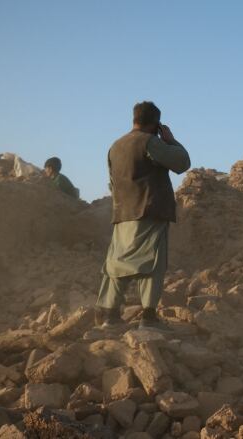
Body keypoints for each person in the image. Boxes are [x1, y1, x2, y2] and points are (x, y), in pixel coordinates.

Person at [96, 101, 190, 331]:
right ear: (156, 123)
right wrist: (170, 140)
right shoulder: (151, 142)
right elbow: (181, 163)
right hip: (150, 211)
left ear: (134, 119)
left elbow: (112, 182)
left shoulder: (115, 146)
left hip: (122, 214)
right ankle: (148, 316)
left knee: (118, 262)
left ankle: (110, 315)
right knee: (152, 262)